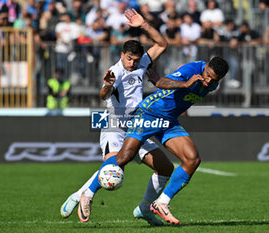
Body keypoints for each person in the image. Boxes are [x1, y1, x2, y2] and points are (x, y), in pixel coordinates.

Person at [61, 9, 174, 226]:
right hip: (115, 124)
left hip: (138, 125)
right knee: (115, 164)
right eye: (129, 58)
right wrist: (108, 86)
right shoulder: (115, 72)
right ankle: (86, 195)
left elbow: (162, 44)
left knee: (166, 168)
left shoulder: (141, 63)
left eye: (135, 59)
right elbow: (103, 95)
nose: (132, 63)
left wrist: (144, 25)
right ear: (121, 54)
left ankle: (144, 209)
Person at [88, 56, 229, 224]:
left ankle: (161, 203)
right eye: (207, 75)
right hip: (149, 113)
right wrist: (183, 83)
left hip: (169, 121)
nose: (207, 81)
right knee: (124, 157)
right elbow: (163, 83)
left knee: (192, 159)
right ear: (205, 66)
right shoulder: (191, 70)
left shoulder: (213, 84)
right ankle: (86, 194)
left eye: (213, 79)